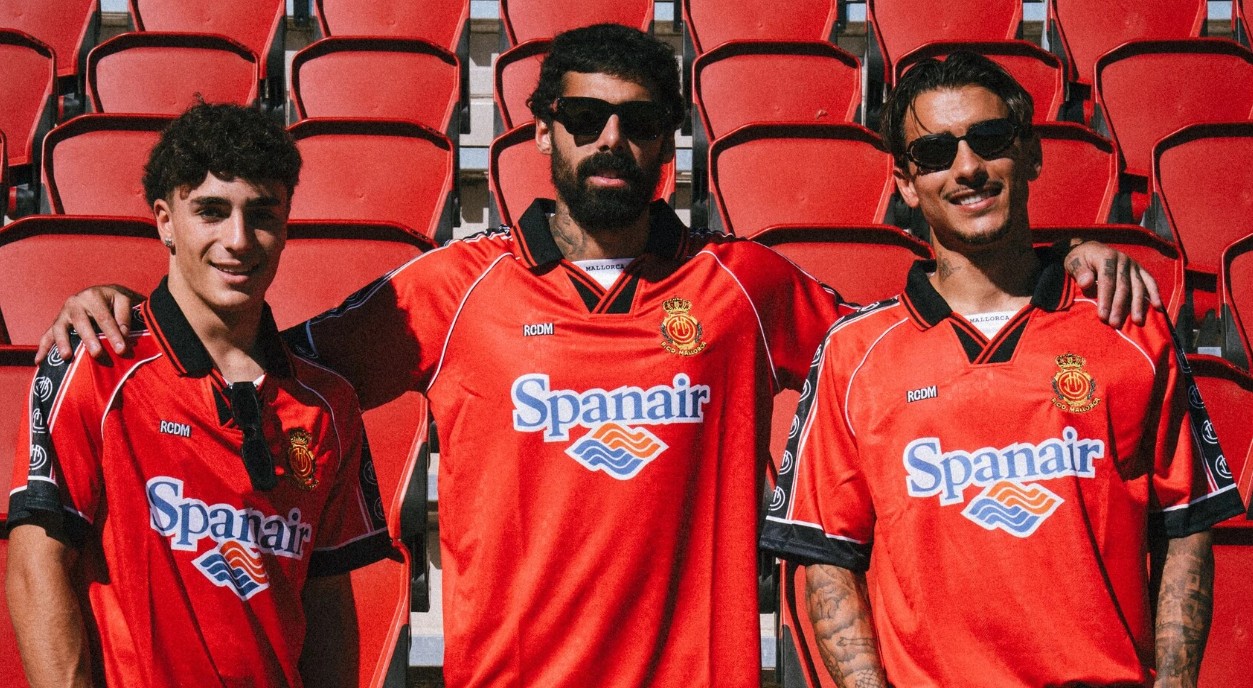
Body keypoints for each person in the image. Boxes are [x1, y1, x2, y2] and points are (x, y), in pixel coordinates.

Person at [34, 27, 1162, 688]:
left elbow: (922, 339)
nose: (609, 141)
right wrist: (120, 302)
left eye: (638, 120)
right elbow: (251, 359)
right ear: (537, 135)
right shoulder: (452, 286)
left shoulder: (743, 287)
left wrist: (1073, 271)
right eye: (582, 117)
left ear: (671, 139)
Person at [759, 52, 1245, 688]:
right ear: (905, 183)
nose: (967, 169)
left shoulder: (1127, 327)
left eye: (989, 140)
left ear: (1033, 154)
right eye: (934, 153)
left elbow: (1183, 527)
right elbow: (830, 558)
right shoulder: (855, 353)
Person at [6, 103, 394, 688]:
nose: (237, 241)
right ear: (165, 221)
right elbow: (38, 564)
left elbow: (328, 602)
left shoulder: (328, 404)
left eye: (262, 214)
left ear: (287, 222)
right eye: (210, 212)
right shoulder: (94, 364)